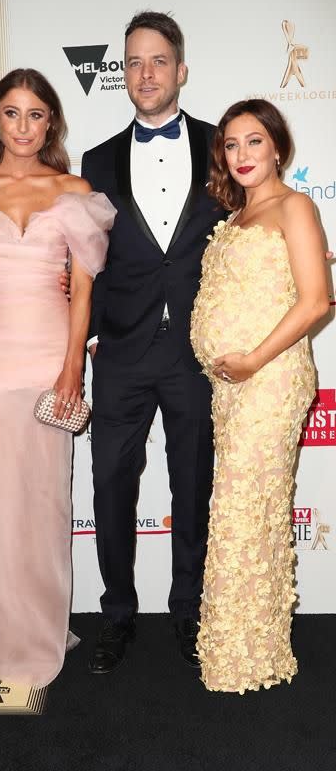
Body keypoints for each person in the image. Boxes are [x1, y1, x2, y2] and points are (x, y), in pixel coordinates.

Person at [0, 68, 115, 687]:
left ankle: (38, 625)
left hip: (48, 351)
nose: (22, 126)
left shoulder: (74, 189)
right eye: (11, 113)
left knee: (44, 495)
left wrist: (73, 368)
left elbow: (84, 291)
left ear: (51, 122)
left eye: (35, 114)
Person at [81, 11, 220, 673]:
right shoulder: (97, 159)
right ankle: (116, 615)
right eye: (134, 62)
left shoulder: (224, 146)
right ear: (123, 74)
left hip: (198, 352)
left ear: (181, 70)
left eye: (158, 60)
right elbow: (91, 259)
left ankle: (190, 609)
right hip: (122, 352)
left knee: (195, 485)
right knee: (112, 485)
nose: (145, 72)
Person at [190, 99, 329, 693]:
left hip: (269, 381)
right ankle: (254, 648)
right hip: (233, 388)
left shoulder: (295, 207)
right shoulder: (237, 215)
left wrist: (252, 360)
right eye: (231, 144)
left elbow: (316, 301)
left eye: (254, 142)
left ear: (277, 147)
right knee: (246, 513)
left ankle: (243, 657)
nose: (242, 155)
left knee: (247, 511)